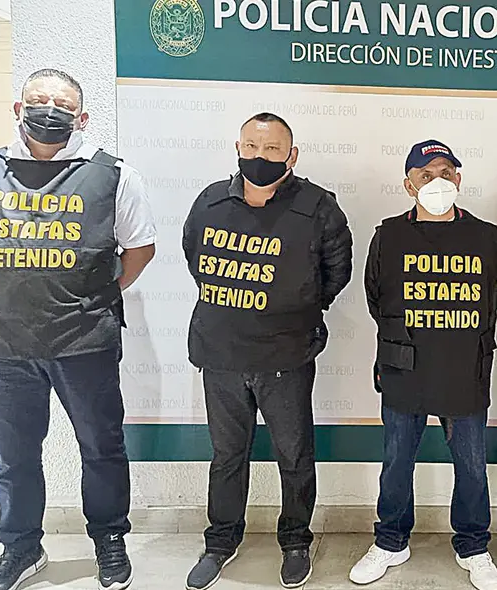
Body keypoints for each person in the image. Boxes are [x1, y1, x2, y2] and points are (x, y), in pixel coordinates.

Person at [0, 68, 156, 590]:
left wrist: (95, 297)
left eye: (61, 104)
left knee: (102, 447)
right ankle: (20, 549)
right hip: (7, 340)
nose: (48, 110)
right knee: (14, 455)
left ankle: (110, 540)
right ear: (17, 110)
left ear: (81, 117)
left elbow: (139, 249)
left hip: (84, 339)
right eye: (37, 100)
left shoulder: (114, 175)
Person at [181, 112, 353, 589]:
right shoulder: (211, 201)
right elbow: (194, 257)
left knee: (294, 455)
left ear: (292, 155)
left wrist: (289, 307)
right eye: (252, 149)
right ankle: (221, 541)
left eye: (273, 150)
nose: (261, 158)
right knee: (227, 454)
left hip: (286, 357)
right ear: (237, 148)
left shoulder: (318, 208)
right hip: (221, 354)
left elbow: (335, 274)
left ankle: (296, 540)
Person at [349, 140, 497, 590]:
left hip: (463, 370)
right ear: (408, 183)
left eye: (446, 171)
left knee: (472, 466)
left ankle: (474, 546)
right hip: (404, 369)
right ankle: (391, 541)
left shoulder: (486, 237)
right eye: (425, 174)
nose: (438, 181)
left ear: (459, 178)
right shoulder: (388, 235)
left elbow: (491, 303)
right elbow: (376, 298)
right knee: (397, 461)